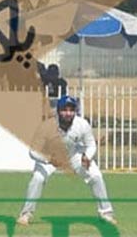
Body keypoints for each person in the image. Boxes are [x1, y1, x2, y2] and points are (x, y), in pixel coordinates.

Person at [16, 95, 117, 226]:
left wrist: (87, 156)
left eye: (71, 110)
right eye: (64, 110)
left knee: (96, 176)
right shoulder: (47, 126)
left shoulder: (82, 124)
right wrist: (48, 159)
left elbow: (91, 145)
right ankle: (26, 214)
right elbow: (33, 151)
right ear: (58, 111)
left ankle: (106, 214)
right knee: (38, 179)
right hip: (51, 155)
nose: (68, 113)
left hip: (74, 154)